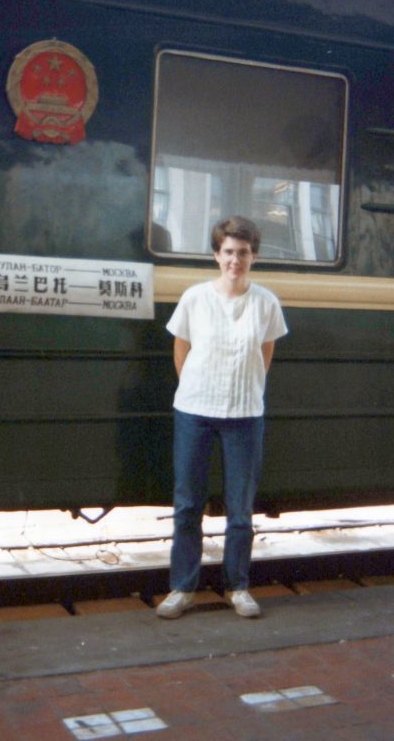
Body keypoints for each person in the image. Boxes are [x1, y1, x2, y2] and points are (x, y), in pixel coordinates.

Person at [157, 215, 288, 619]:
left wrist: (243, 388)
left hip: (245, 413)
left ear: (254, 256)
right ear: (216, 255)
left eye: (243, 252)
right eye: (229, 251)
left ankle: (238, 587)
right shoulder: (195, 298)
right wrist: (200, 388)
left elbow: (265, 352)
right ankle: (182, 588)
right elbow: (182, 349)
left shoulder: (265, 302)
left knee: (240, 508)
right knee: (187, 504)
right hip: (194, 412)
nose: (236, 259)